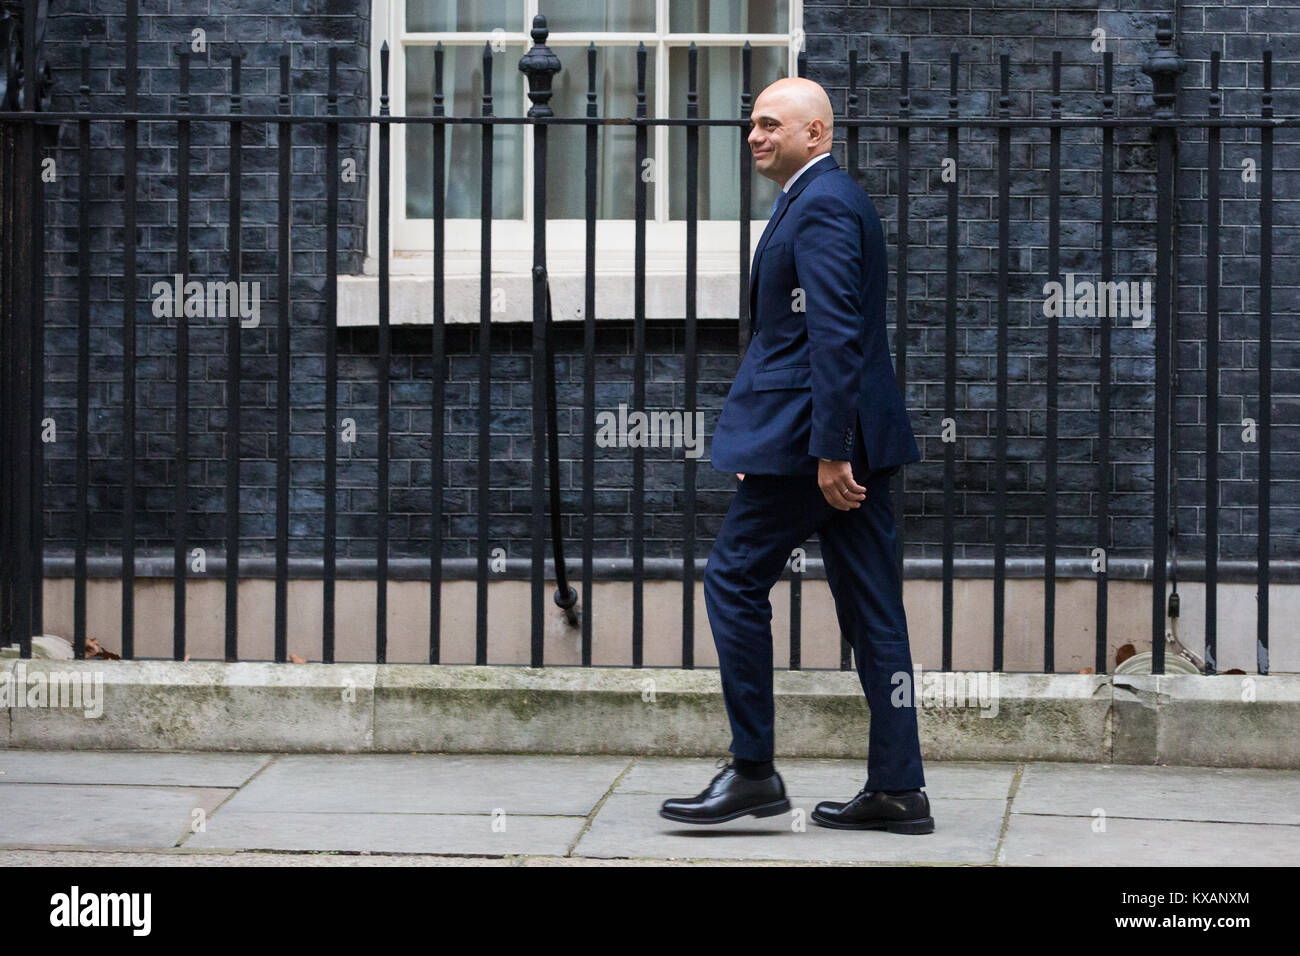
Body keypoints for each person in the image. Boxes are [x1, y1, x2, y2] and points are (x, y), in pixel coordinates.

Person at [658, 77, 933, 834]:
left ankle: (752, 772)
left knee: (733, 581)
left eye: (771, 124)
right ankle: (899, 789)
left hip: (820, 452)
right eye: (752, 123)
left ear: (817, 134)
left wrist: (828, 452)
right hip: (837, 444)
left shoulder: (820, 205)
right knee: (875, 613)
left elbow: (833, 333)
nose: (755, 135)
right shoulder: (817, 199)